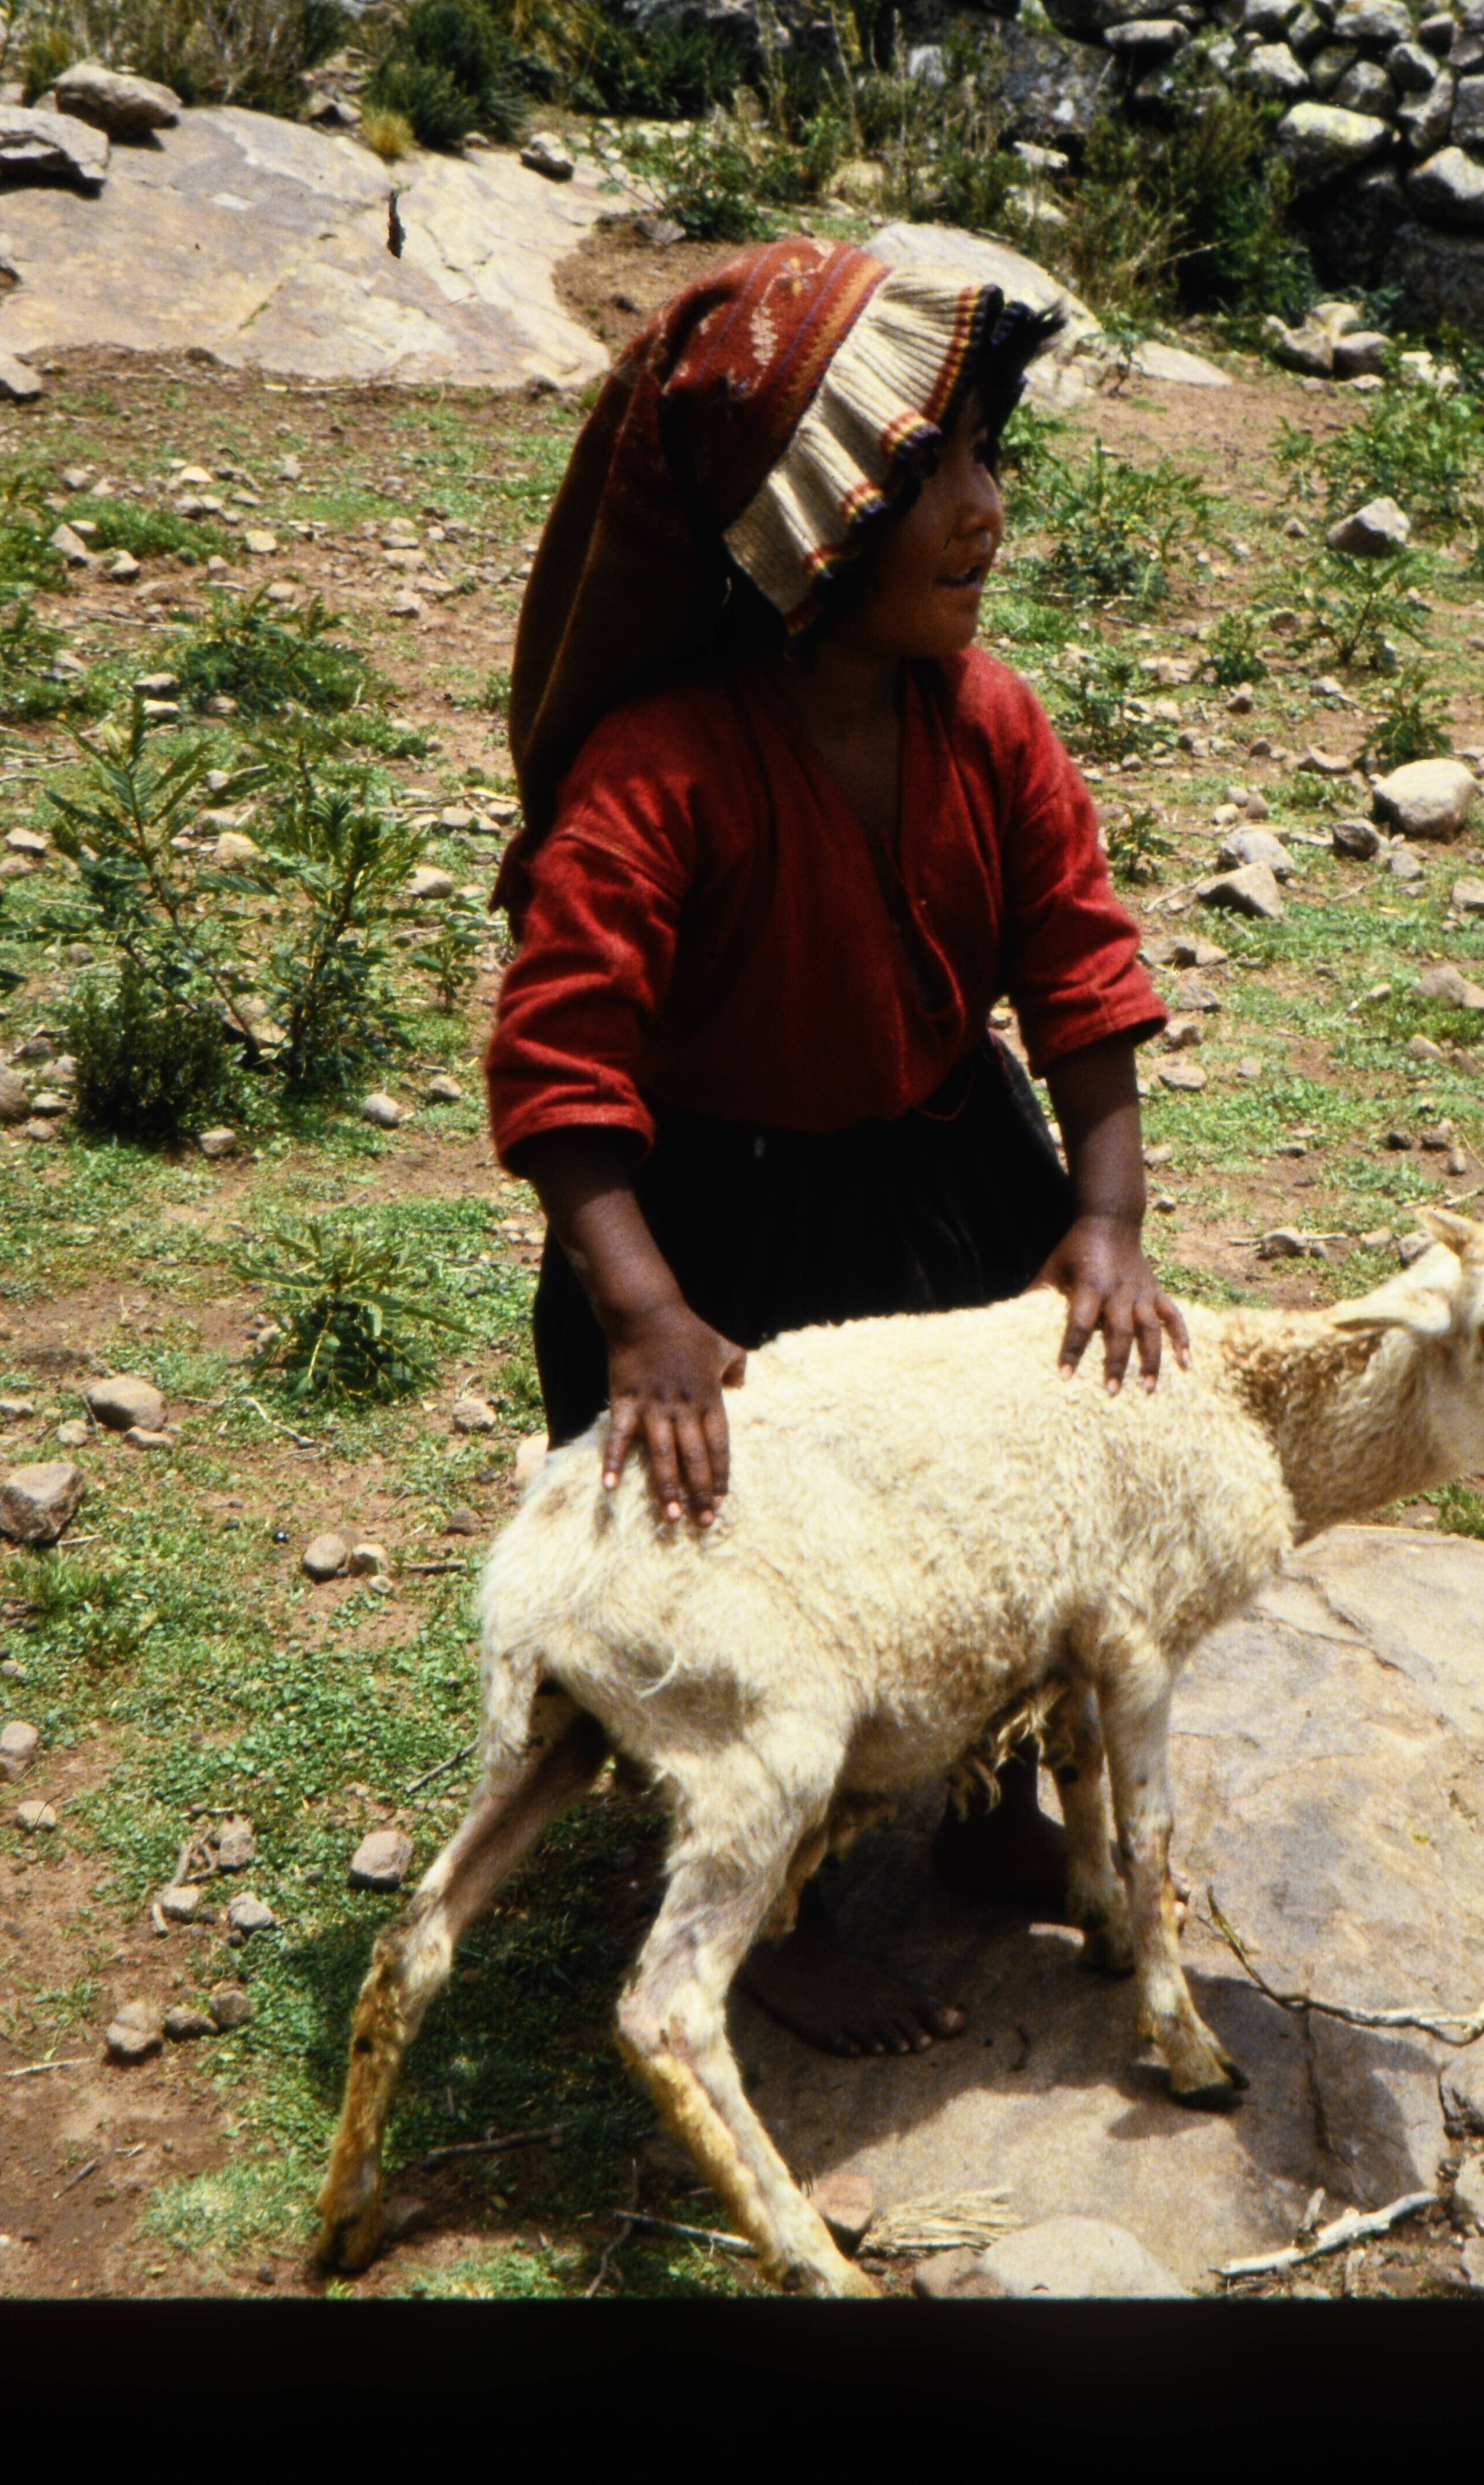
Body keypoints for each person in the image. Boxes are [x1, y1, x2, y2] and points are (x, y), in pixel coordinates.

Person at [483, 236, 1186, 2059]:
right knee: (761, 1566)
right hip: (721, 1238)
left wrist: (1104, 1220)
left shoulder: (992, 721)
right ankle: (772, 1899)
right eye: (938, 470)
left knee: (1005, 1499)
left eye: (989, 458)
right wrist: (645, 1316)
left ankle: (981, 1804)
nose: (987, 508)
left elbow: (1083, 973)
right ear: (821, 521)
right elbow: (561, 1064)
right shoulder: (660, 769)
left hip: (954, 1177)